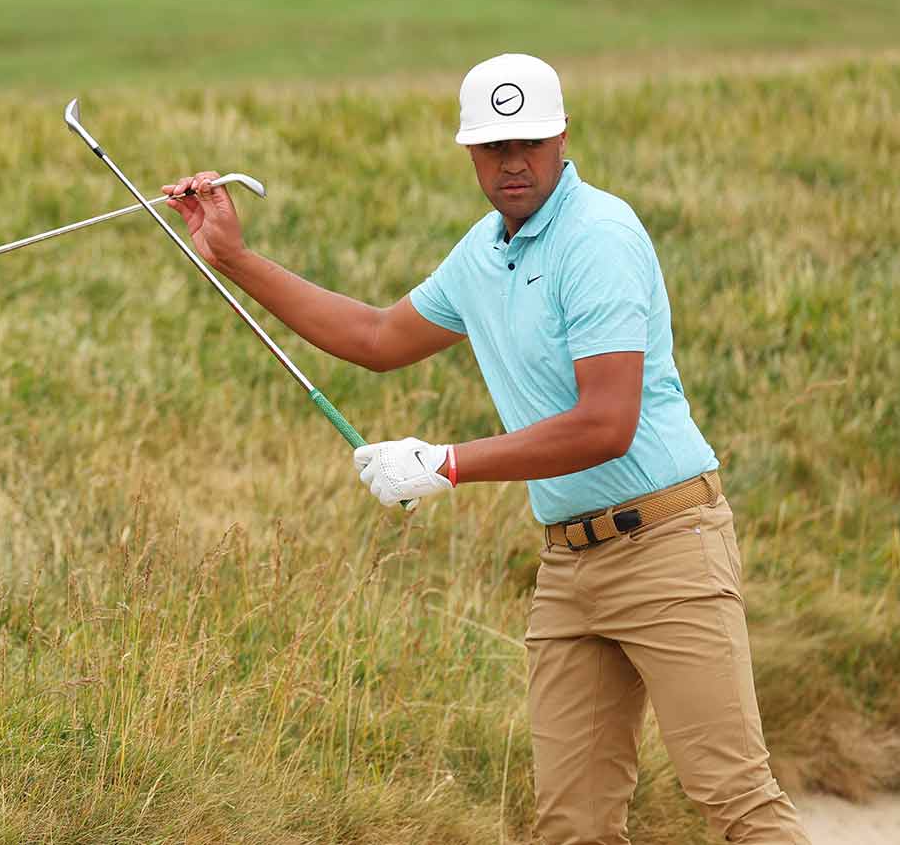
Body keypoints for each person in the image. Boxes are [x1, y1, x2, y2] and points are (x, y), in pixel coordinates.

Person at [162, 54, 808, 843]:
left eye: (529, 142)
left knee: (734, 798)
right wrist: (234, 258)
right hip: (569, 565)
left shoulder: (598, 237)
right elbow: (376, 337)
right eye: (494, 147)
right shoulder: (484, 250)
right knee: (572, 825)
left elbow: (607, 423)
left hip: (668, 546)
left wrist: (446, 463)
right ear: (470, 151)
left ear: (562, 137)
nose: (513, 162)